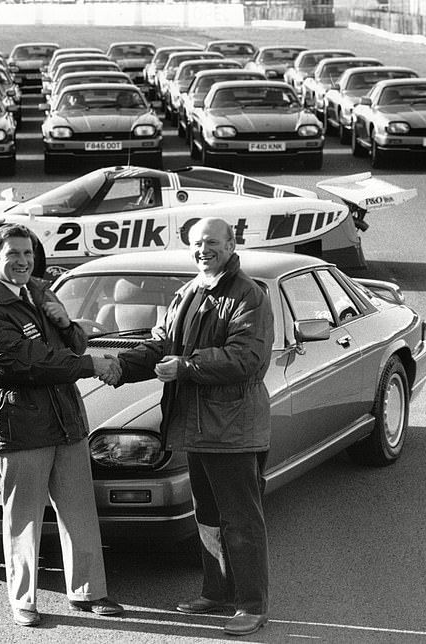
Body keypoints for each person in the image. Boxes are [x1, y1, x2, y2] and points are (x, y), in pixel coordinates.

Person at [111, 217, 274, 637]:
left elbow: (246, 358)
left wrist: (184, 367)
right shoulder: (188, 292)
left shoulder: (249, 296)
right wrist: (118, 367)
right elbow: (161, 343)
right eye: (198, 243)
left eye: (213, 243)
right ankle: (216, 592)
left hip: (233, 429)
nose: (204, 250)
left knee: (241, 520)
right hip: (198, 428)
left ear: (231, 244)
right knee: (208, 516)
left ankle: (252, 606)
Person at [0, 223, 124, 628]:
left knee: (79, 511)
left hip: (64, 418)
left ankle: (88, 593)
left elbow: (77, 345)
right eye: (13, 254)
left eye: (28, 254)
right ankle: (23, 600)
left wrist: (66, 323)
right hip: (21, 424)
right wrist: (88, 366)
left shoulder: (38, 292)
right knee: (24, 518)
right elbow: (24, 363)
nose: (22, 261)